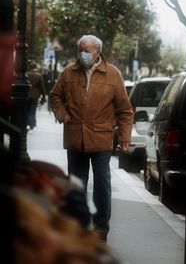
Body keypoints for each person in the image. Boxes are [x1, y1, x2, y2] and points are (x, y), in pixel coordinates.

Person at [49, 34, 133, 241]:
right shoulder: (69, 72)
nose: (83, 55)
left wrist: (124, 137)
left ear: (98, 52)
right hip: (75, 137)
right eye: (80, 50)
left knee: (102, 185)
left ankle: (101, 230)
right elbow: (54, 96)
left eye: (86, 50)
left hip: (101, 138)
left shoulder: (113, 74)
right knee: (76, 185)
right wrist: (63, 115)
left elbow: (124, 110)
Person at [27, 61, 46, 130]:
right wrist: (44, 96)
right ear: (35, 67)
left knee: (27, 109)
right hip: (35, 95)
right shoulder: (39, 75)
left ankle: (27, 122)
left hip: (27, 94)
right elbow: (42, 87)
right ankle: (32, 123)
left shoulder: (27, 74)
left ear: (30, 67)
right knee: (33, 110)